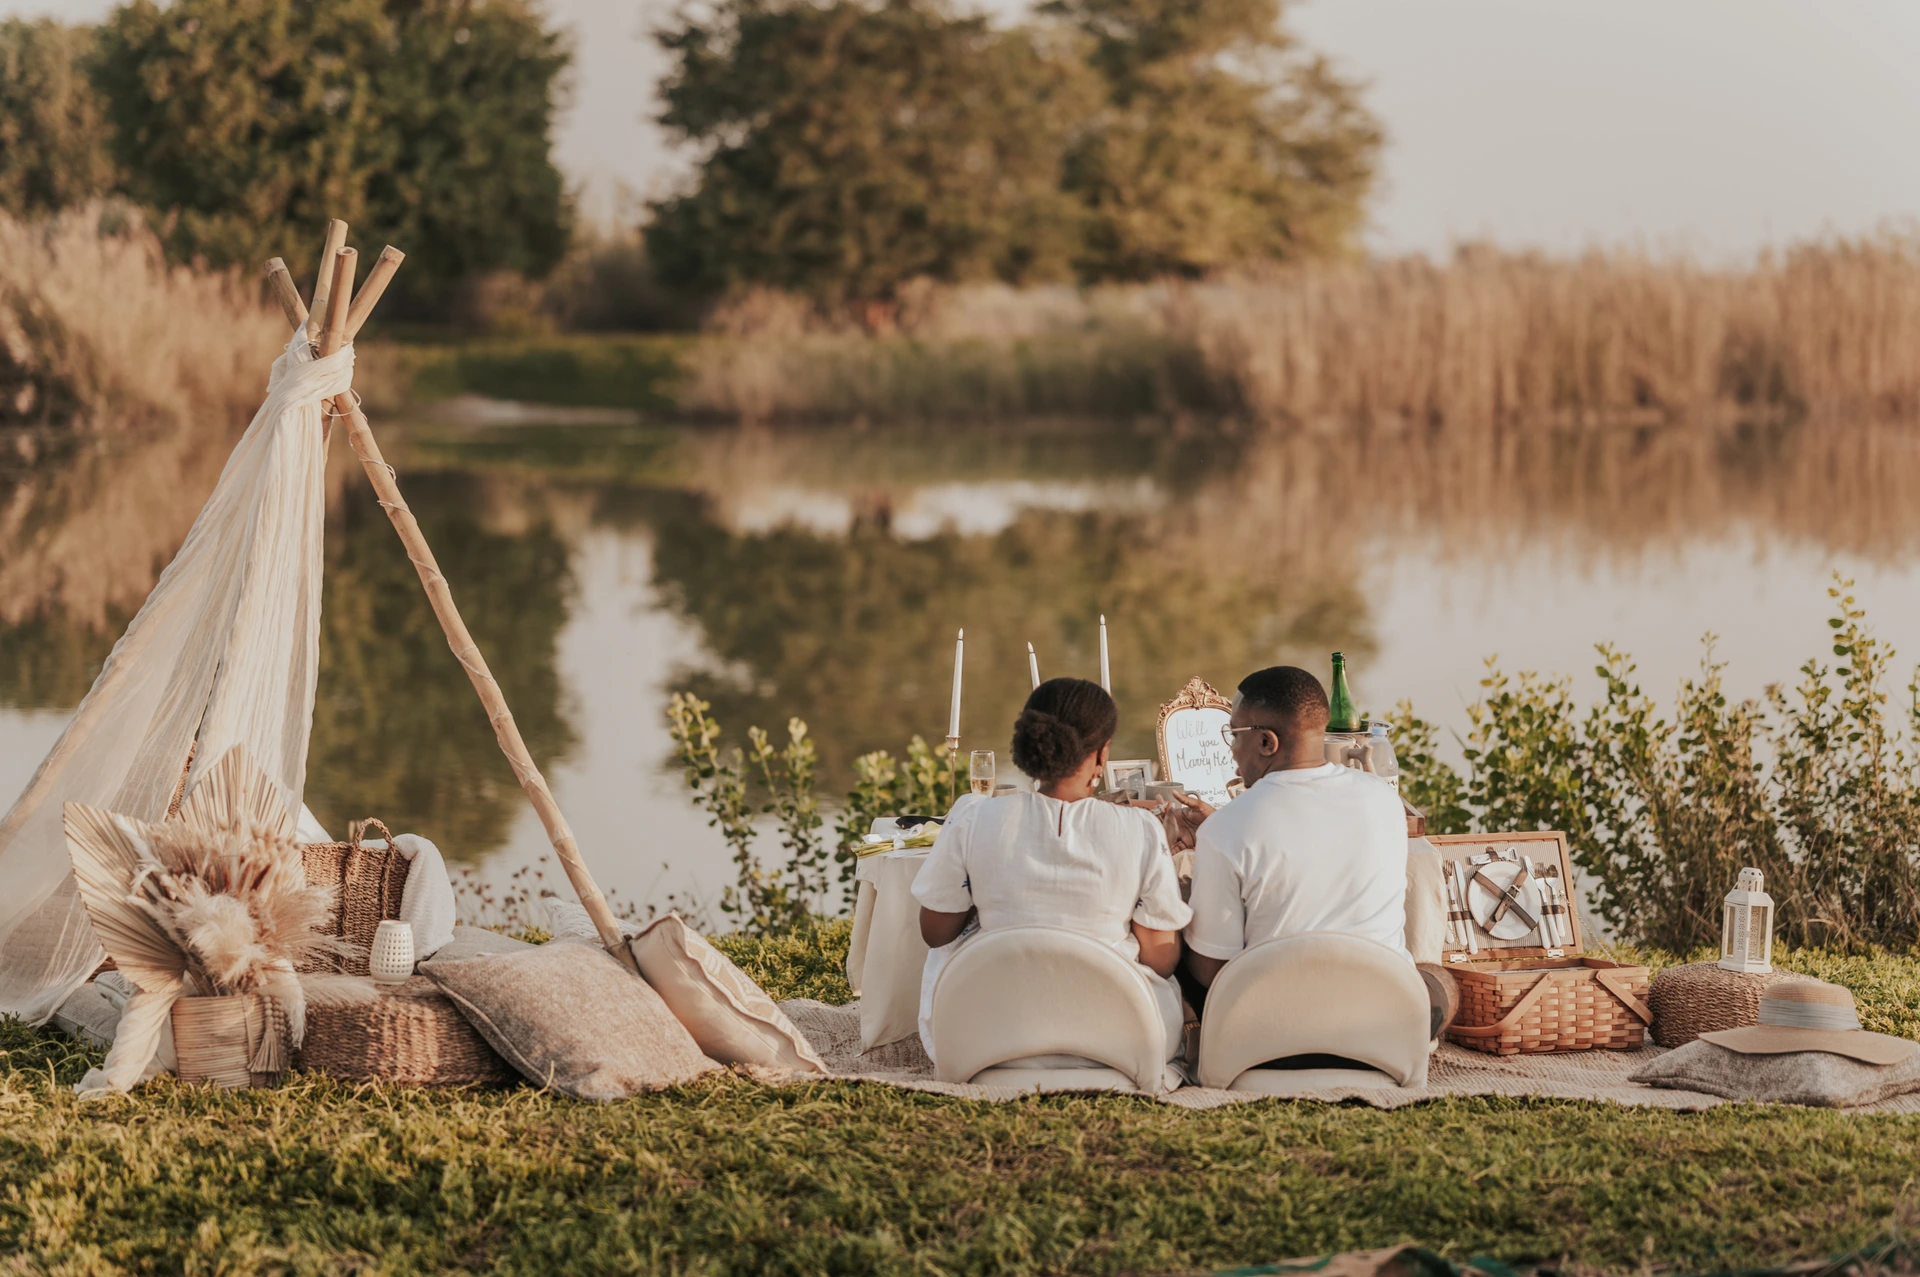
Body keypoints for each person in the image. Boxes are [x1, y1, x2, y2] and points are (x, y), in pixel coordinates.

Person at [911, 677, 1191, 1066]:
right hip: (1116, 1039)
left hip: (993, 1036)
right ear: (1101, 754)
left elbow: (935, 931)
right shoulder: (1139, 829)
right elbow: (1161, 960)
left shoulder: (974, 817)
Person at [1171, 665, 1455, 1042]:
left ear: (1267, 742)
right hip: (1378, 1026)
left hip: (1271, 1037)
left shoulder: (1225, 828)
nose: (1232, 751)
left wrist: (1186, 914)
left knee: (1181, 939)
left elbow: (1211, 970)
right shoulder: (1384, 800)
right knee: (1442, 980)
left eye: (1234, 735)